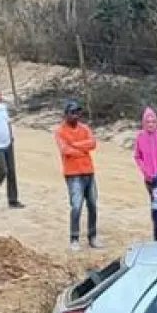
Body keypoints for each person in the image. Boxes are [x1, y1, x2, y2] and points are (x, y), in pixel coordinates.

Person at [54, 100, 101, 250]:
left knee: (93, 205)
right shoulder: (60, 131)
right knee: (76, 206)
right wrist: (82, 149)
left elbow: (92, 143)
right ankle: (74, 238)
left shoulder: (85, 128)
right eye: (72, 112)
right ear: (66, 114)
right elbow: (65, 150)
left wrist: (75, 144)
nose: (76, 115)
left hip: (88, 171)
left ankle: (92, 236)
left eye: (77, 112)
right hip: (73, 173)